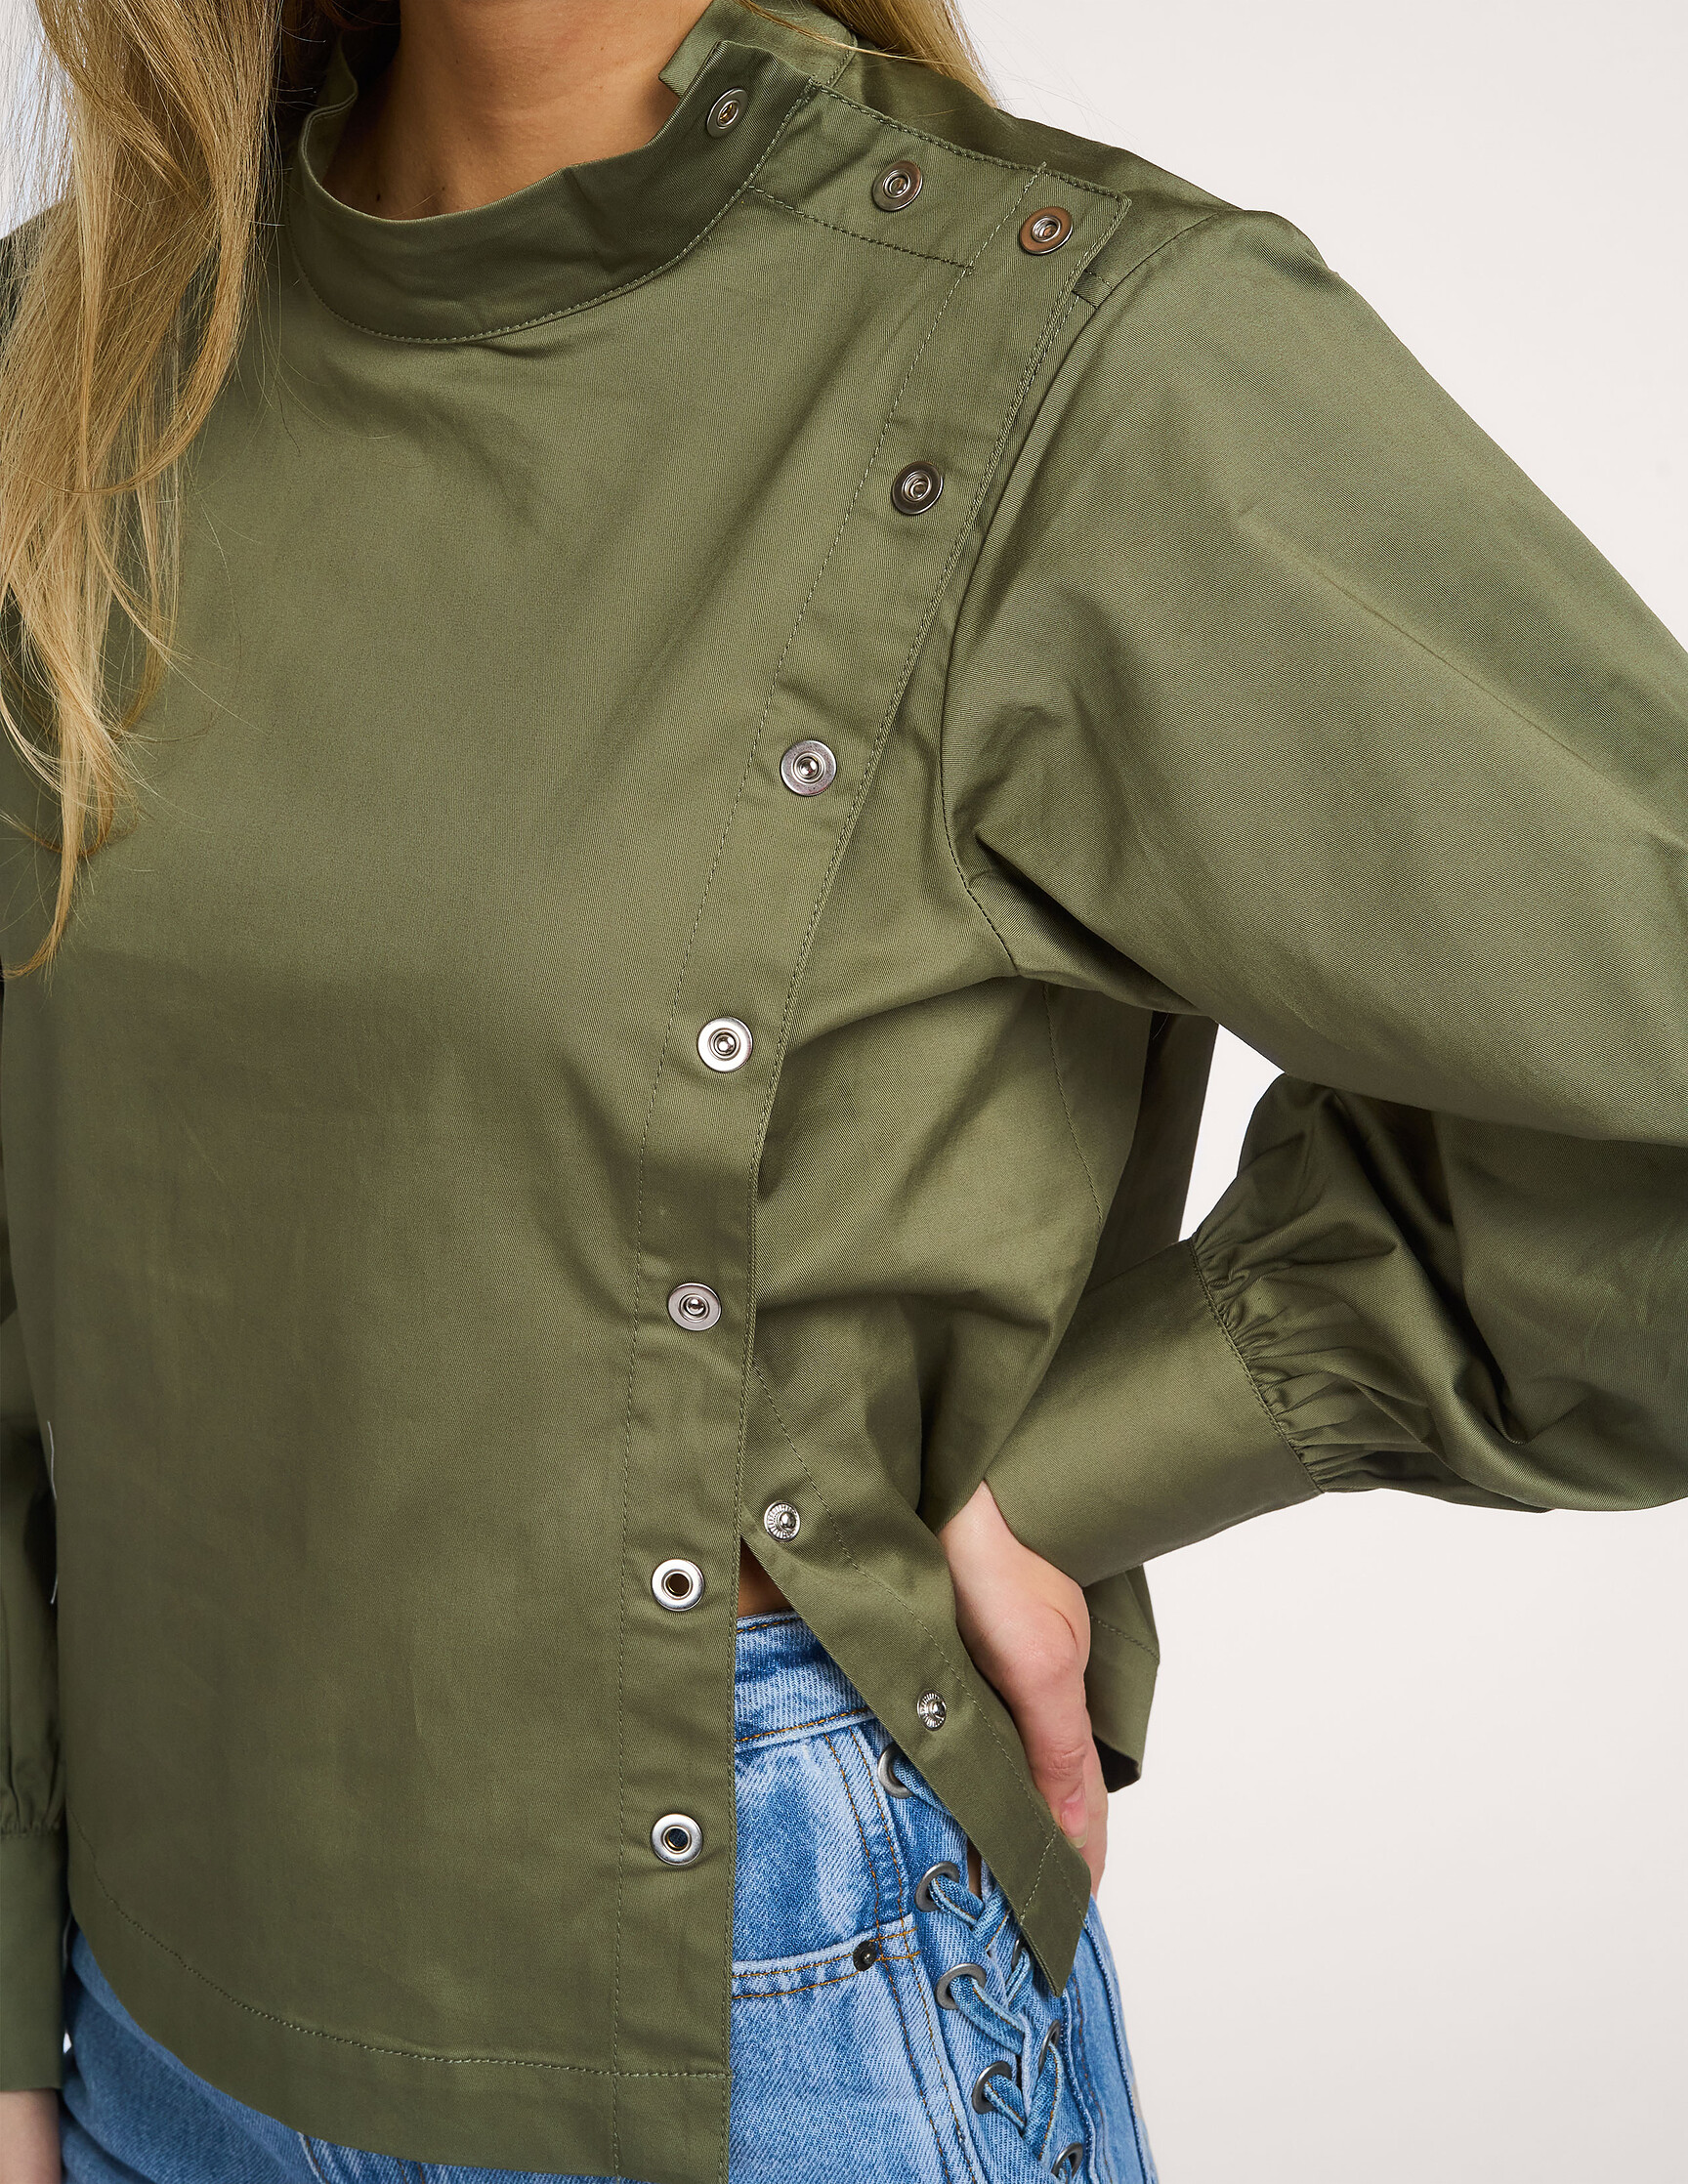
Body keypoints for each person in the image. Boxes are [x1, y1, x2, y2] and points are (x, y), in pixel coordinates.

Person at [2, 0, 1685, 2176]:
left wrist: (1078, 1466)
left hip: (766, 2011)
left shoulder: (1066, 350)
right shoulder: (75, 353)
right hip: (142, 2025)